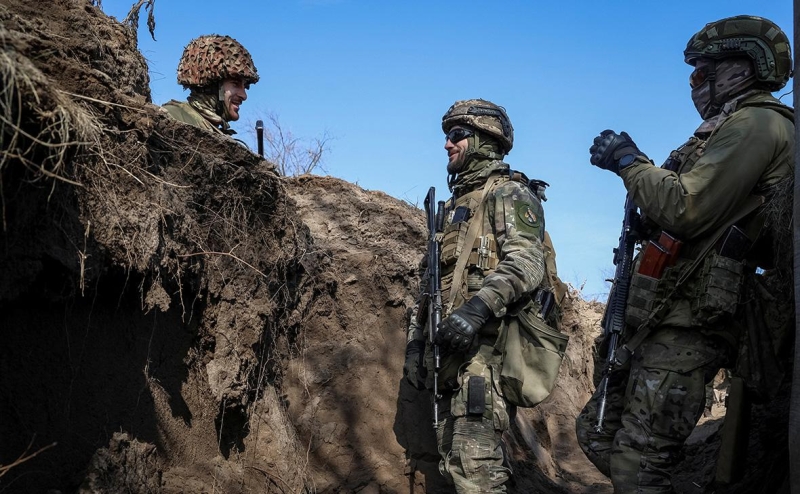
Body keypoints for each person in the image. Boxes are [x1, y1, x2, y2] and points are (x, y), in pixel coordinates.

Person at [576, 15, 794, 493]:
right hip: (663, 310)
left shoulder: (758, 124)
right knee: (596, 434)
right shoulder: (724, 128)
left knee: (639, 466)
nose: (695, 84)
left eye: (703, 72)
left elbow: (686, 207)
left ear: (742, 68)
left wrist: (629, 161)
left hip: (693, 320)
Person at [403, 99, 565, 492]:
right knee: (455, 460)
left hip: (485, 356)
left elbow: (527, 263)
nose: (447, 144)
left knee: (475, 468)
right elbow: (432, 288)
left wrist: (476, 311)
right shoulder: (455, 206)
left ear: (483, 140)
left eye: (457, 135)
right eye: (447, 135)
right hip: (449, 355)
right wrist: (415, 345)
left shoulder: (508, 193)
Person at [162, 34, 259, 135]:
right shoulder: (172, 118)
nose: (244, 95)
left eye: (245, 86)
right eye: (235, 84)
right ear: (212, 85)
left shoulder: (216, 132)